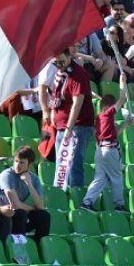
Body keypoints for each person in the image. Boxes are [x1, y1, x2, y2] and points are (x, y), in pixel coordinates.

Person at [81, 72, 132, 211]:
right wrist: (122, 82)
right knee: (116, 178)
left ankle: (87, 201)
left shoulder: (99, 119)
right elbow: (122, 98)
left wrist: (126, 125)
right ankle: (119, 204)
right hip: (110, 150)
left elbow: (114, 133)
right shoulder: (108, 113)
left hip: (100, 151)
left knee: (100, 179)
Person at [45, 49, 95, 188]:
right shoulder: (60, 73)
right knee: (61, 164)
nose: (59, 65)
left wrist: (69, 127)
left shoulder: (78, 74)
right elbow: (56, 96)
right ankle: (61, 199)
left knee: (73, 164)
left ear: (69, 57)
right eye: (56, 63)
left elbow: (77, 104)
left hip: (78, 126)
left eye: (61, 62)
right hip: (61, 126)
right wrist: (52, 113)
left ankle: (76, 199)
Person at [0, 145, 51, 244]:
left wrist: (29, 184)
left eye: (22, 162)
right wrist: (33, 208)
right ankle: (19, 249)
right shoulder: (7, 175)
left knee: (44, 216)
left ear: (29, 165)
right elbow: (15, 205)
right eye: (16, 161)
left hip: (19, 217)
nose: (18, 165)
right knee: (20, 213)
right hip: (3, 216)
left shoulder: (33, 178)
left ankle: (40, 249)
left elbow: (41, 206)